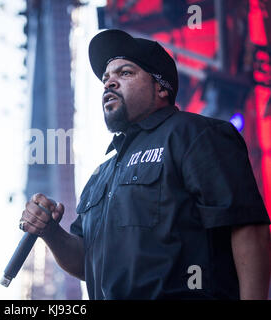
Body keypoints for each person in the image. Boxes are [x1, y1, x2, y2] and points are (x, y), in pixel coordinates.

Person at [19, 29, 271, 299]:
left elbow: (246, 226)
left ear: (161, 87)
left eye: (124, 73)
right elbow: (85, 261)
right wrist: (51, 233)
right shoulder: (100, 176)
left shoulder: (194, 134)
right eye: (106, 78)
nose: (109, 84)